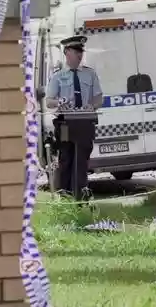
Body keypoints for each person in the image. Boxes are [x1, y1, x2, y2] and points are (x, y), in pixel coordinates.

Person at [44, 35, 104, 196]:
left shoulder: (90, 74)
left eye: (81, 52)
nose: (80, 55)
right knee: (66, 158)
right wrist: (59, 102)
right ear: (67, 53)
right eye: (76, 51)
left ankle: (81, 194)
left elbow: (99, 98)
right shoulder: (58, 76)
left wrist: (92, 105)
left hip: (84, 122)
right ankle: (65, 194)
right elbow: (49, 102)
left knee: (82, 160)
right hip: (65, 124)